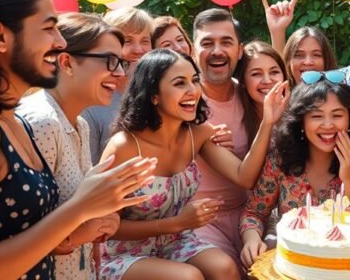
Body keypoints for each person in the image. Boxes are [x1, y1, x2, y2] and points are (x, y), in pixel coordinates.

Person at [0, 0, 154, 280]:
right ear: (0, 36)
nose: (59, 42)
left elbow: (23, 238)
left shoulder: (8, 119)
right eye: (48, 28)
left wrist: (95, 201)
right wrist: (82, 206)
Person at [99, 49, 288, 279]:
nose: (193, 91)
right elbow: (106, 228)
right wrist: (176, 223)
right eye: (180, 83)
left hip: (175, 243)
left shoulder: (198, 134)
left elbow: (244, 176)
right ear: (153, 95)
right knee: (188, 277)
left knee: (225, 267)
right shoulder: (124, 147)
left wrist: (267, 122)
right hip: (123, 253)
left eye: (194, 80)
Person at [17, 13, 127, 279]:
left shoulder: (80, 124)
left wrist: (104, 218)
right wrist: (79, 233)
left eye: (121, 63)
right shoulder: (41, 122)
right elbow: (17, 235)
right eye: (110, 61)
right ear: (66, 62)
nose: (121, 72)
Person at [238, 74, 350, 269]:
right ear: (302, 123)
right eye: (316, 116)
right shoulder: (280, 161)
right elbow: (253, 213)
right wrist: (252, 239)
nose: (328, 124)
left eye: (337, 115)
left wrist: (348, 177)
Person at [191, 8, 254, 268]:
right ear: (193, 51)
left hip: (249, 214)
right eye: (207, 43)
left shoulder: (251, 95)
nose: (217, 50)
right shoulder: (185, 100)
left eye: (226, 42)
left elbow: (276, 76)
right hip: (199, 220)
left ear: (239, 50)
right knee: (223, 269)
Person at [82, 7, 154, 163]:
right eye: (127, 41)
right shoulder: (91, 105)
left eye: (145, 41)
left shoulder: (156, 95)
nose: (139, 50)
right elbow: (87, 172)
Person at [235, 41, 288, 148]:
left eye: (274, 72)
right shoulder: (235, 119)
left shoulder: (297, 116)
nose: (267, 81)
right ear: (243, 81)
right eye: (256, 74)